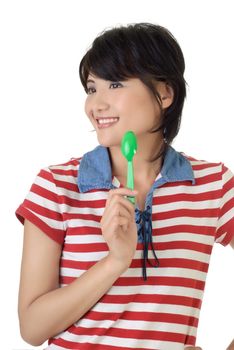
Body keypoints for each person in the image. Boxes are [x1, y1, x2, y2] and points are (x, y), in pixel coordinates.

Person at [16, 23, 234, 350]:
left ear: (165, 93)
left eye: (114, 84)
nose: (96, 104)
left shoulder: (213, 184)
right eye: (91, 88)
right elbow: (32, 329)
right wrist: (115, 261)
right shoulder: (57, 186)